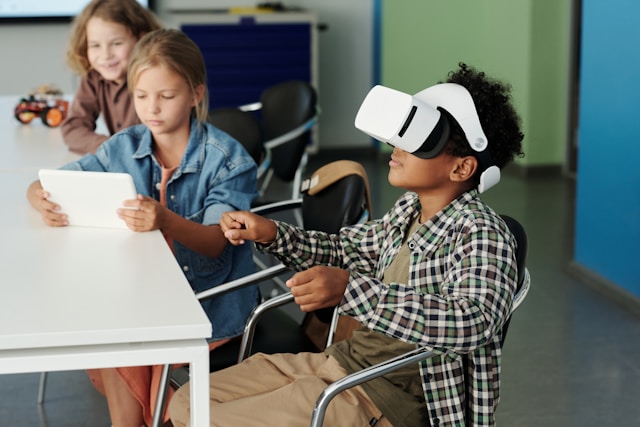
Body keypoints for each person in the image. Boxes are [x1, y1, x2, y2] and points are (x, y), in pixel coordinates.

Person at [168, 62, 525, 427]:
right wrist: (273, 234)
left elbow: (473, 321)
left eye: (420, 142)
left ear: (462, 169)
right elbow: (345, 249)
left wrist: (352, 291)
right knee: (187, 403)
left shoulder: (482, 233)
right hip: (339, 363)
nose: (395, 146)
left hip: (385, 398)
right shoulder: (409, 210)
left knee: (207, 420)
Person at [27, 28, 259, 427]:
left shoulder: (229, 161)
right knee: (118, 336)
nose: (152, 108)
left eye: (166, 97)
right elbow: (49, 181)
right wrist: (40, 197)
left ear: (195, 95)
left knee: (135, 347)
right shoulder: (123, 146)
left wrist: (165, 219)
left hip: (206, 303)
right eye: (140, 96)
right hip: (139, 295)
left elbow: (214, 245)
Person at [61, 0, 162, 154]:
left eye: (116, 43)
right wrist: (110, 147)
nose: (106, 55)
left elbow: (162, 140)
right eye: (95, 45)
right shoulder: (93, 78)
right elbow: (73, 128)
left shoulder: (157, 78)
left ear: (142, 39)